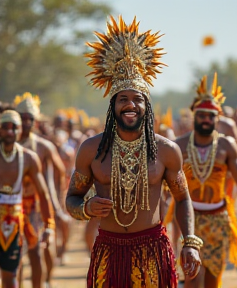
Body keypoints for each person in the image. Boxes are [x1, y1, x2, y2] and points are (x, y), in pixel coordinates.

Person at [66, 15, 201, 288]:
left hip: (152, 251)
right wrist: (87, 209)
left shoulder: (167, 150)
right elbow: (71, 199)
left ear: (146, 106)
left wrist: (189, 241)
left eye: (137, 99)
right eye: (123, 99)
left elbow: (183, 198)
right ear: (112, 106)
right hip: (108, 252)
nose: (131, 105)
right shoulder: (91, 149)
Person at [175, 73, 237, 288]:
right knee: (193, 277)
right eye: (202, 115)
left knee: (213, 280)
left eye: (211, 116)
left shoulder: (226, 146)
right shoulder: (178, 146)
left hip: (218, 220)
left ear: (218, 118)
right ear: (194, 116)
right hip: (190, 219)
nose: (206, 119)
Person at [14, 93, 69, 287]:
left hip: (37, 204)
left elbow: (60, 172)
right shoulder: (7, 147)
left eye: (30, 119)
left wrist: (56, 199)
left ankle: (46, 282)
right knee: (16, 255)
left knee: (38, 251)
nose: (26, 122)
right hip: (13, 207)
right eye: (22, 118)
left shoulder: (43, 147)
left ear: (35, 122)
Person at [0, 110, 54, 288]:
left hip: (13, 223)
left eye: (13, 128)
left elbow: (43, 194)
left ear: (19, 130)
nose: (9, 132)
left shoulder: (29, 158)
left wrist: (49, 226)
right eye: (5, 127)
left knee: (10, 274)